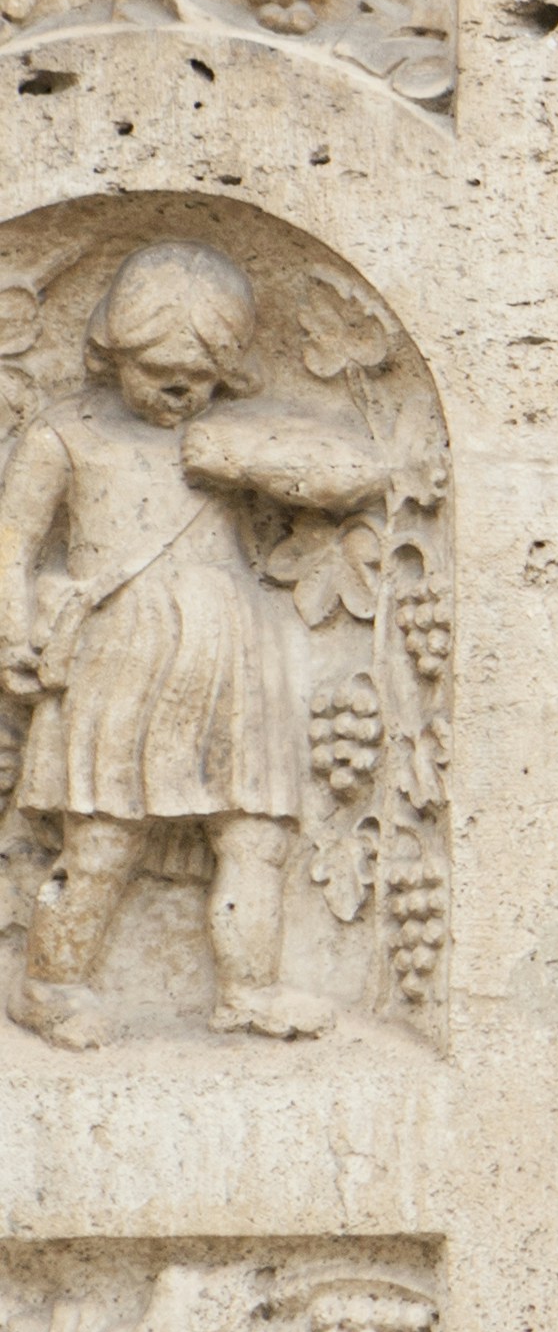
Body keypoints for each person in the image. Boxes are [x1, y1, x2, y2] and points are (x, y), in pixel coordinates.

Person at [0, 246, 385, 1047]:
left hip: (233, 655)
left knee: (256, 836)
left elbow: (359, 472)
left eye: (199, 376)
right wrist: (16, 632)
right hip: (120, 655)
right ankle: (52, 985)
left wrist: (240, 457)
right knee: (101, 839)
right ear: (113, 351)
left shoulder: (233, 434)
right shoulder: (67, 433)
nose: (178, 390)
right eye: (158, 369)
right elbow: (13, 545)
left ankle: (248, 989)